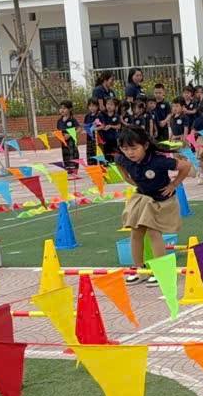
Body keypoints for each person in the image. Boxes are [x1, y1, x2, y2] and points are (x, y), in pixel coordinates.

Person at [115, 125, 192, 284]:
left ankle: (161, 271)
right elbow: (118, 162)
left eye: (134, 148)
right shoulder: (123, 159)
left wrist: (174, 184)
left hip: (161, 200)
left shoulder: (158, 161)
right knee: (136, 231)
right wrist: (127, 178)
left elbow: (186, 166)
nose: (130, 153)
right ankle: (140, 269)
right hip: (143, 197)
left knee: (153, 232)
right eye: (125, 149)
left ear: (145, 145)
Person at [57, 100, 80, 171]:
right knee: (66, 157)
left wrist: (70, 135)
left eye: (64, 108)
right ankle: (68, 170)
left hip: (72, 143)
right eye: (61, 108)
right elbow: (58, 131)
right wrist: (59, 136)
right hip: (64, 143)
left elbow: (79, 129)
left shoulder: (72, 120)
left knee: (73, 157)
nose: (62, 110)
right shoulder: (59, 121)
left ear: (70, 109)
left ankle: (74, 171)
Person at [82, 98, 100, 165]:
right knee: (90, 156)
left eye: (94, 106)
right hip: (89, 139)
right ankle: (92, 168)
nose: (92, 107)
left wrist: (94, 127)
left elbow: (100, 125)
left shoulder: (99, 115)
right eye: (90, 106)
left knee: (98, 155)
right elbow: (85, 125)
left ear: (97, 106)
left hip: (98, 139)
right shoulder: (87, 116)